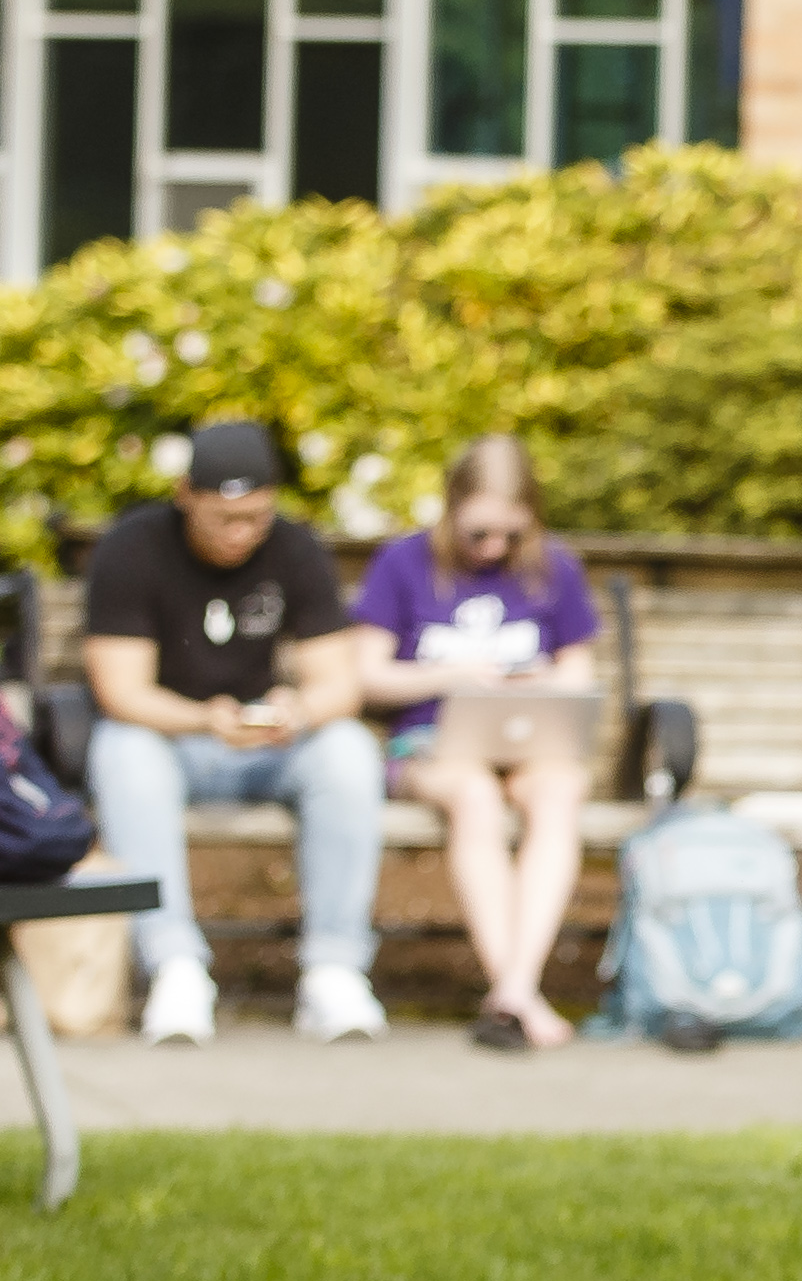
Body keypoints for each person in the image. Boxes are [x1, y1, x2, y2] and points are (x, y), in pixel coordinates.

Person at [85, 419, 388, 1044]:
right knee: (124, 751)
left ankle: (334, 970)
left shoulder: (296, 547)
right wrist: (205, 719)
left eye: (255, 515)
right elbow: (122, 693)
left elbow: (339, 684)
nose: (240, 532)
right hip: (173, 739)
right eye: (224, 517)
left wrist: (295, 711)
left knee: (349, 751)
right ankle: (175, 966)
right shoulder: (131, 548)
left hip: (269, 745)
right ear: (185, 495)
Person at [345, 437, 605, 1050]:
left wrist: (531, 683)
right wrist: (452, 677)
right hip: (433, 742)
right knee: (475, 798)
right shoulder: (402, 563)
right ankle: (517, 991)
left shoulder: (555, 566)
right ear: (451, 508)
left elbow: (579, 675)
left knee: (560, 792)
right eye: (479, 534)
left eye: (511, 536)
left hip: (531, 738)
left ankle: (514, 991)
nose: (494, 550)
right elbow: (366, 675)